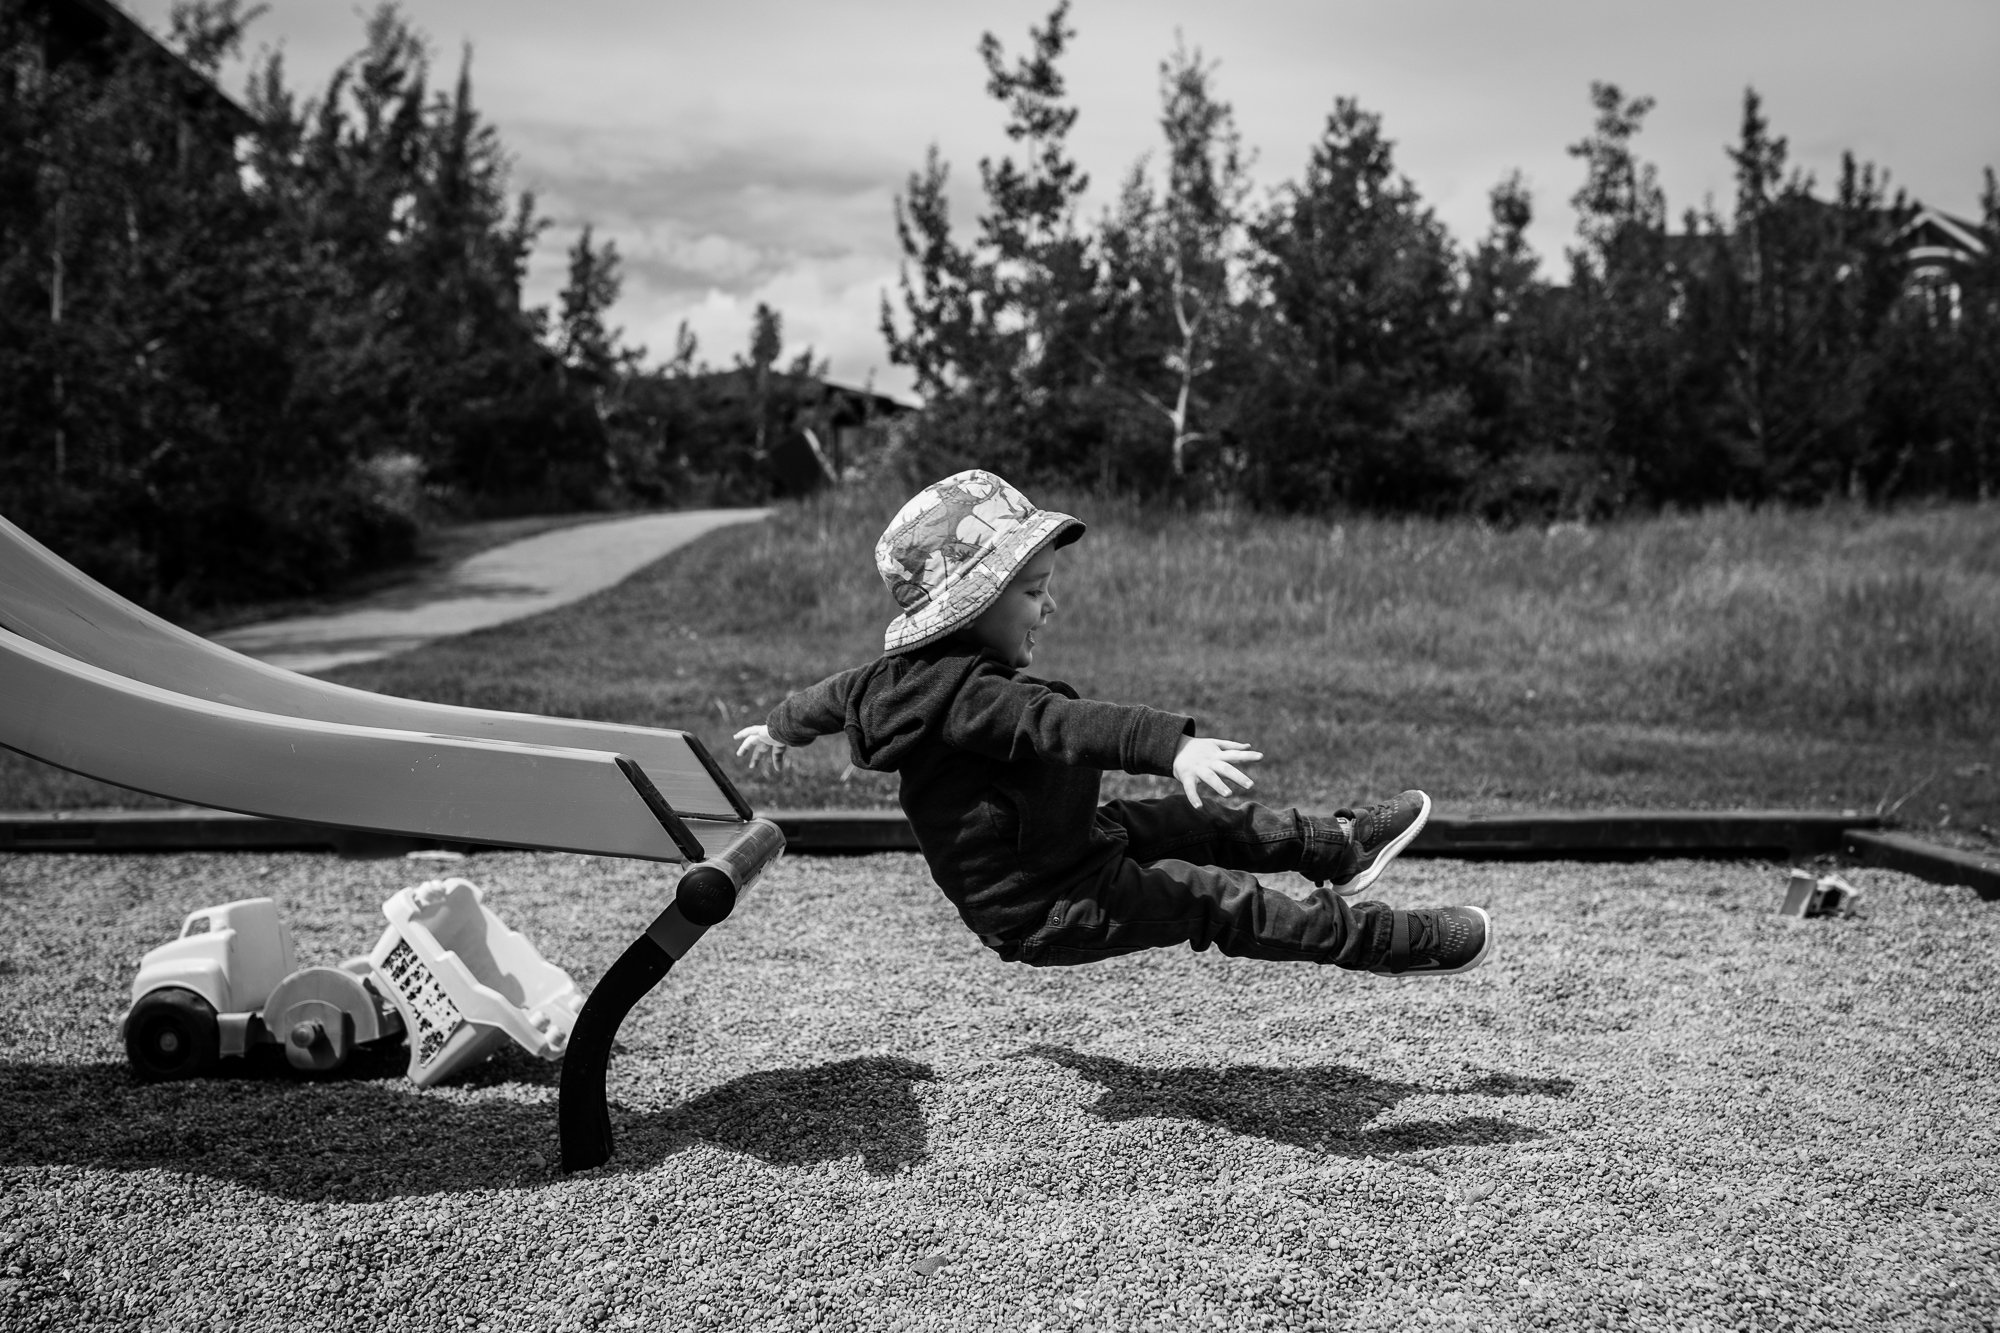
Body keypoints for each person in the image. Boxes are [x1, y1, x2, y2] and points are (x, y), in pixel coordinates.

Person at [734, 469, 1490, 977]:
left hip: (1066, 850)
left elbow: (822, 699)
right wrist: (1174, 745)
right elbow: (1066, 724)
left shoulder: (884, 682)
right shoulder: (978, 700)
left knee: (1194, 821)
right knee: (1207, 896)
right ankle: (1389, 941)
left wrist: (777, 729)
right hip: (1046, 904)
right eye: (1033, 592)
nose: (1049, 606)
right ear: (970, 609)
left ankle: (1342, 846)